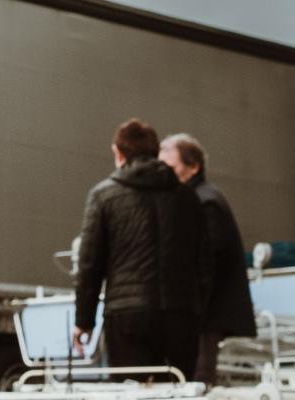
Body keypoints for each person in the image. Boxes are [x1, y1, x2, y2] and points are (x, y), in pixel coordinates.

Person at [74, 118, 210, 379]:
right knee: (178, 398)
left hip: (127, 315)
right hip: (180, 315)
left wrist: (84, 321)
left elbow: (90, 264)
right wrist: (196, 310)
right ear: (155, 152)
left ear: (118, 152)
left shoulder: (103, 195)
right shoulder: (188, 197)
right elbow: (204, 261)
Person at [160, 133, 256, 383]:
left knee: (198, 376)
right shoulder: (198, 198)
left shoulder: (205, 201)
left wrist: (190, 304)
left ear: (193, 167)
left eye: (171, 166)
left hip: (205, 311)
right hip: (200, 308)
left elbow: (209, 260)